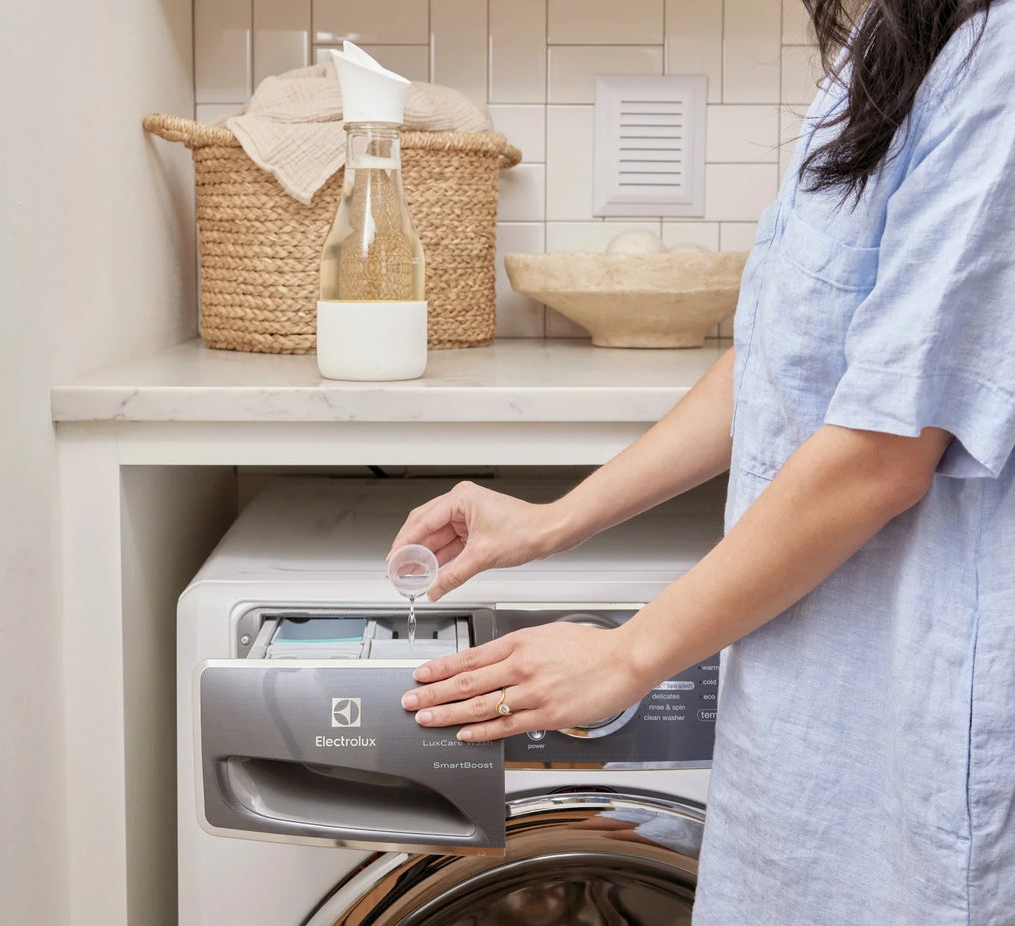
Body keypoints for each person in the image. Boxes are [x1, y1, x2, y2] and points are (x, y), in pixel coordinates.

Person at [389, 0, 1015, 921]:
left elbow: (885, 450)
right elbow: (782, 356)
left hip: (911, 697)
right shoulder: (894, 42)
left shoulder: (998, 65)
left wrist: (632, 653)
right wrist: (551, 522)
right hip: (802, 688)